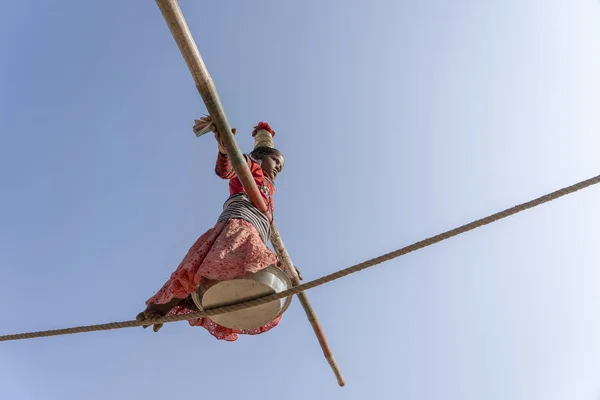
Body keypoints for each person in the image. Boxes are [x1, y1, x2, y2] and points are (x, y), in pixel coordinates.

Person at [136, 120, 287, 341]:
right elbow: (229, 169)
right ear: (259, 158)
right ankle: (161, 309)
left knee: (246, 267)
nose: (278, 168)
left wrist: (286, 264)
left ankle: (236, 299)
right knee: (202, 268)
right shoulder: (253, 171)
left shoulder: (270, 194)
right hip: (240, 224)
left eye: (281, 166)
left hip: (256, 231)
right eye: (275, 161)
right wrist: (226, 150)